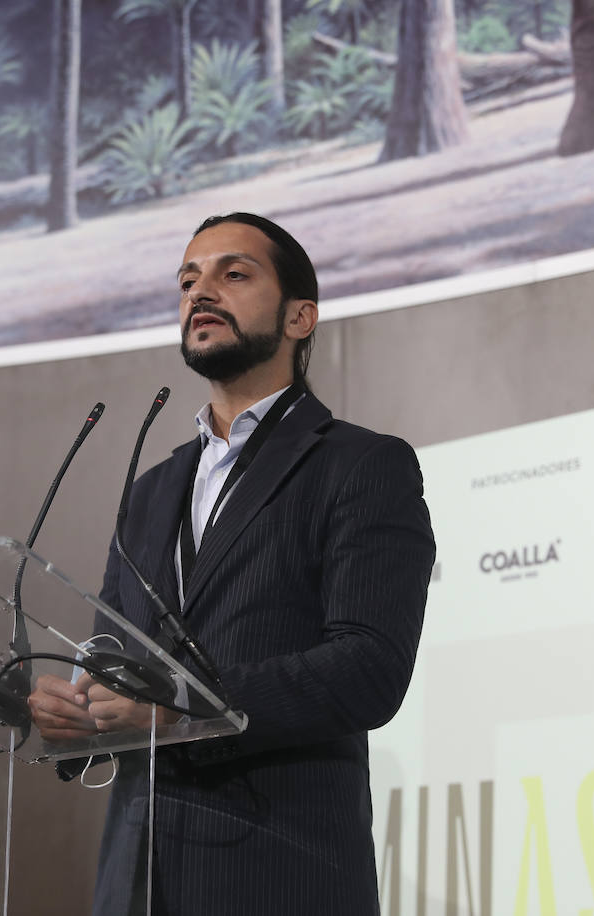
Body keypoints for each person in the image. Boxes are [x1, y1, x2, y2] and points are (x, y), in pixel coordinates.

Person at [28, 212, 435, 915]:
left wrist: (179, 710)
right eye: (188, 279)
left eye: (233, 274)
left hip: (279, 870)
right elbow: (111, 656)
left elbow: (370, 668)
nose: (200, 291)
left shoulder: (361, 465)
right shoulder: (151, 488)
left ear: (300, 316)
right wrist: (75, 711)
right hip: (137, 878)